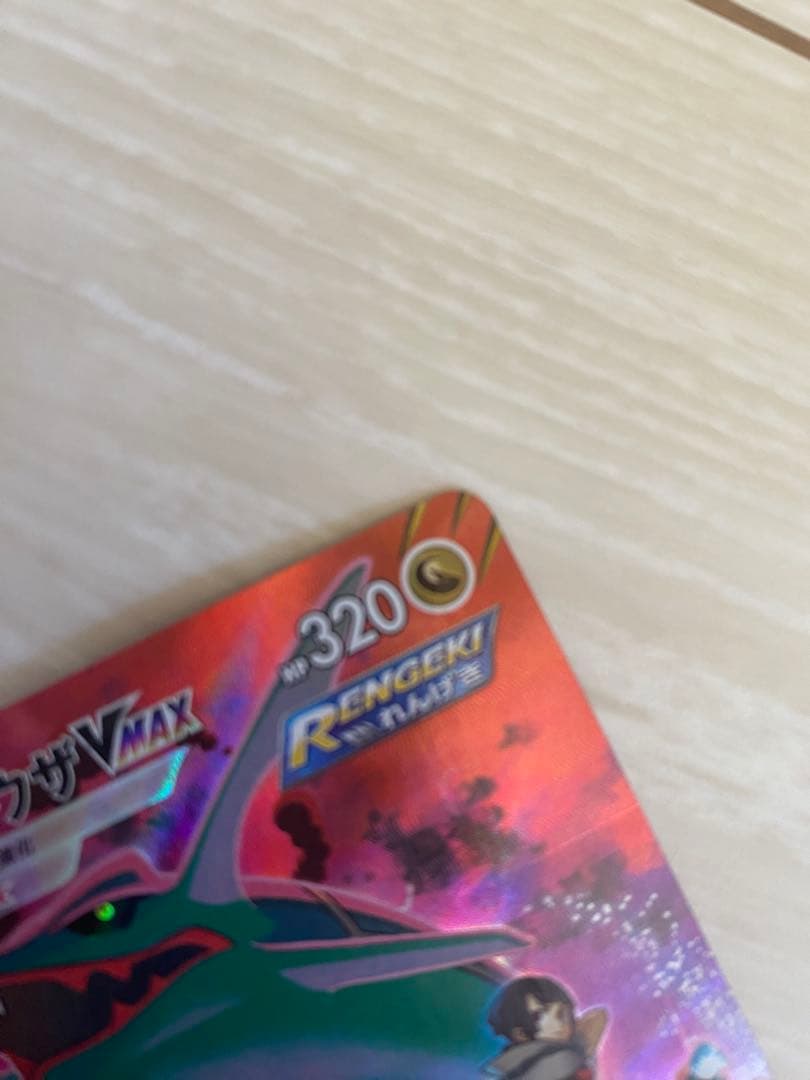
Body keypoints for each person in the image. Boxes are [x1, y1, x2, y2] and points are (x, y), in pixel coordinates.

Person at [482, 975, 608, 1079]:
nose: (559, 1017)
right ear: (521, 1034)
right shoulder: (557, 1060)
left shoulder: (570, 1048)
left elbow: (599, 1016)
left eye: (563, 1010)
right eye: (541, 1014)